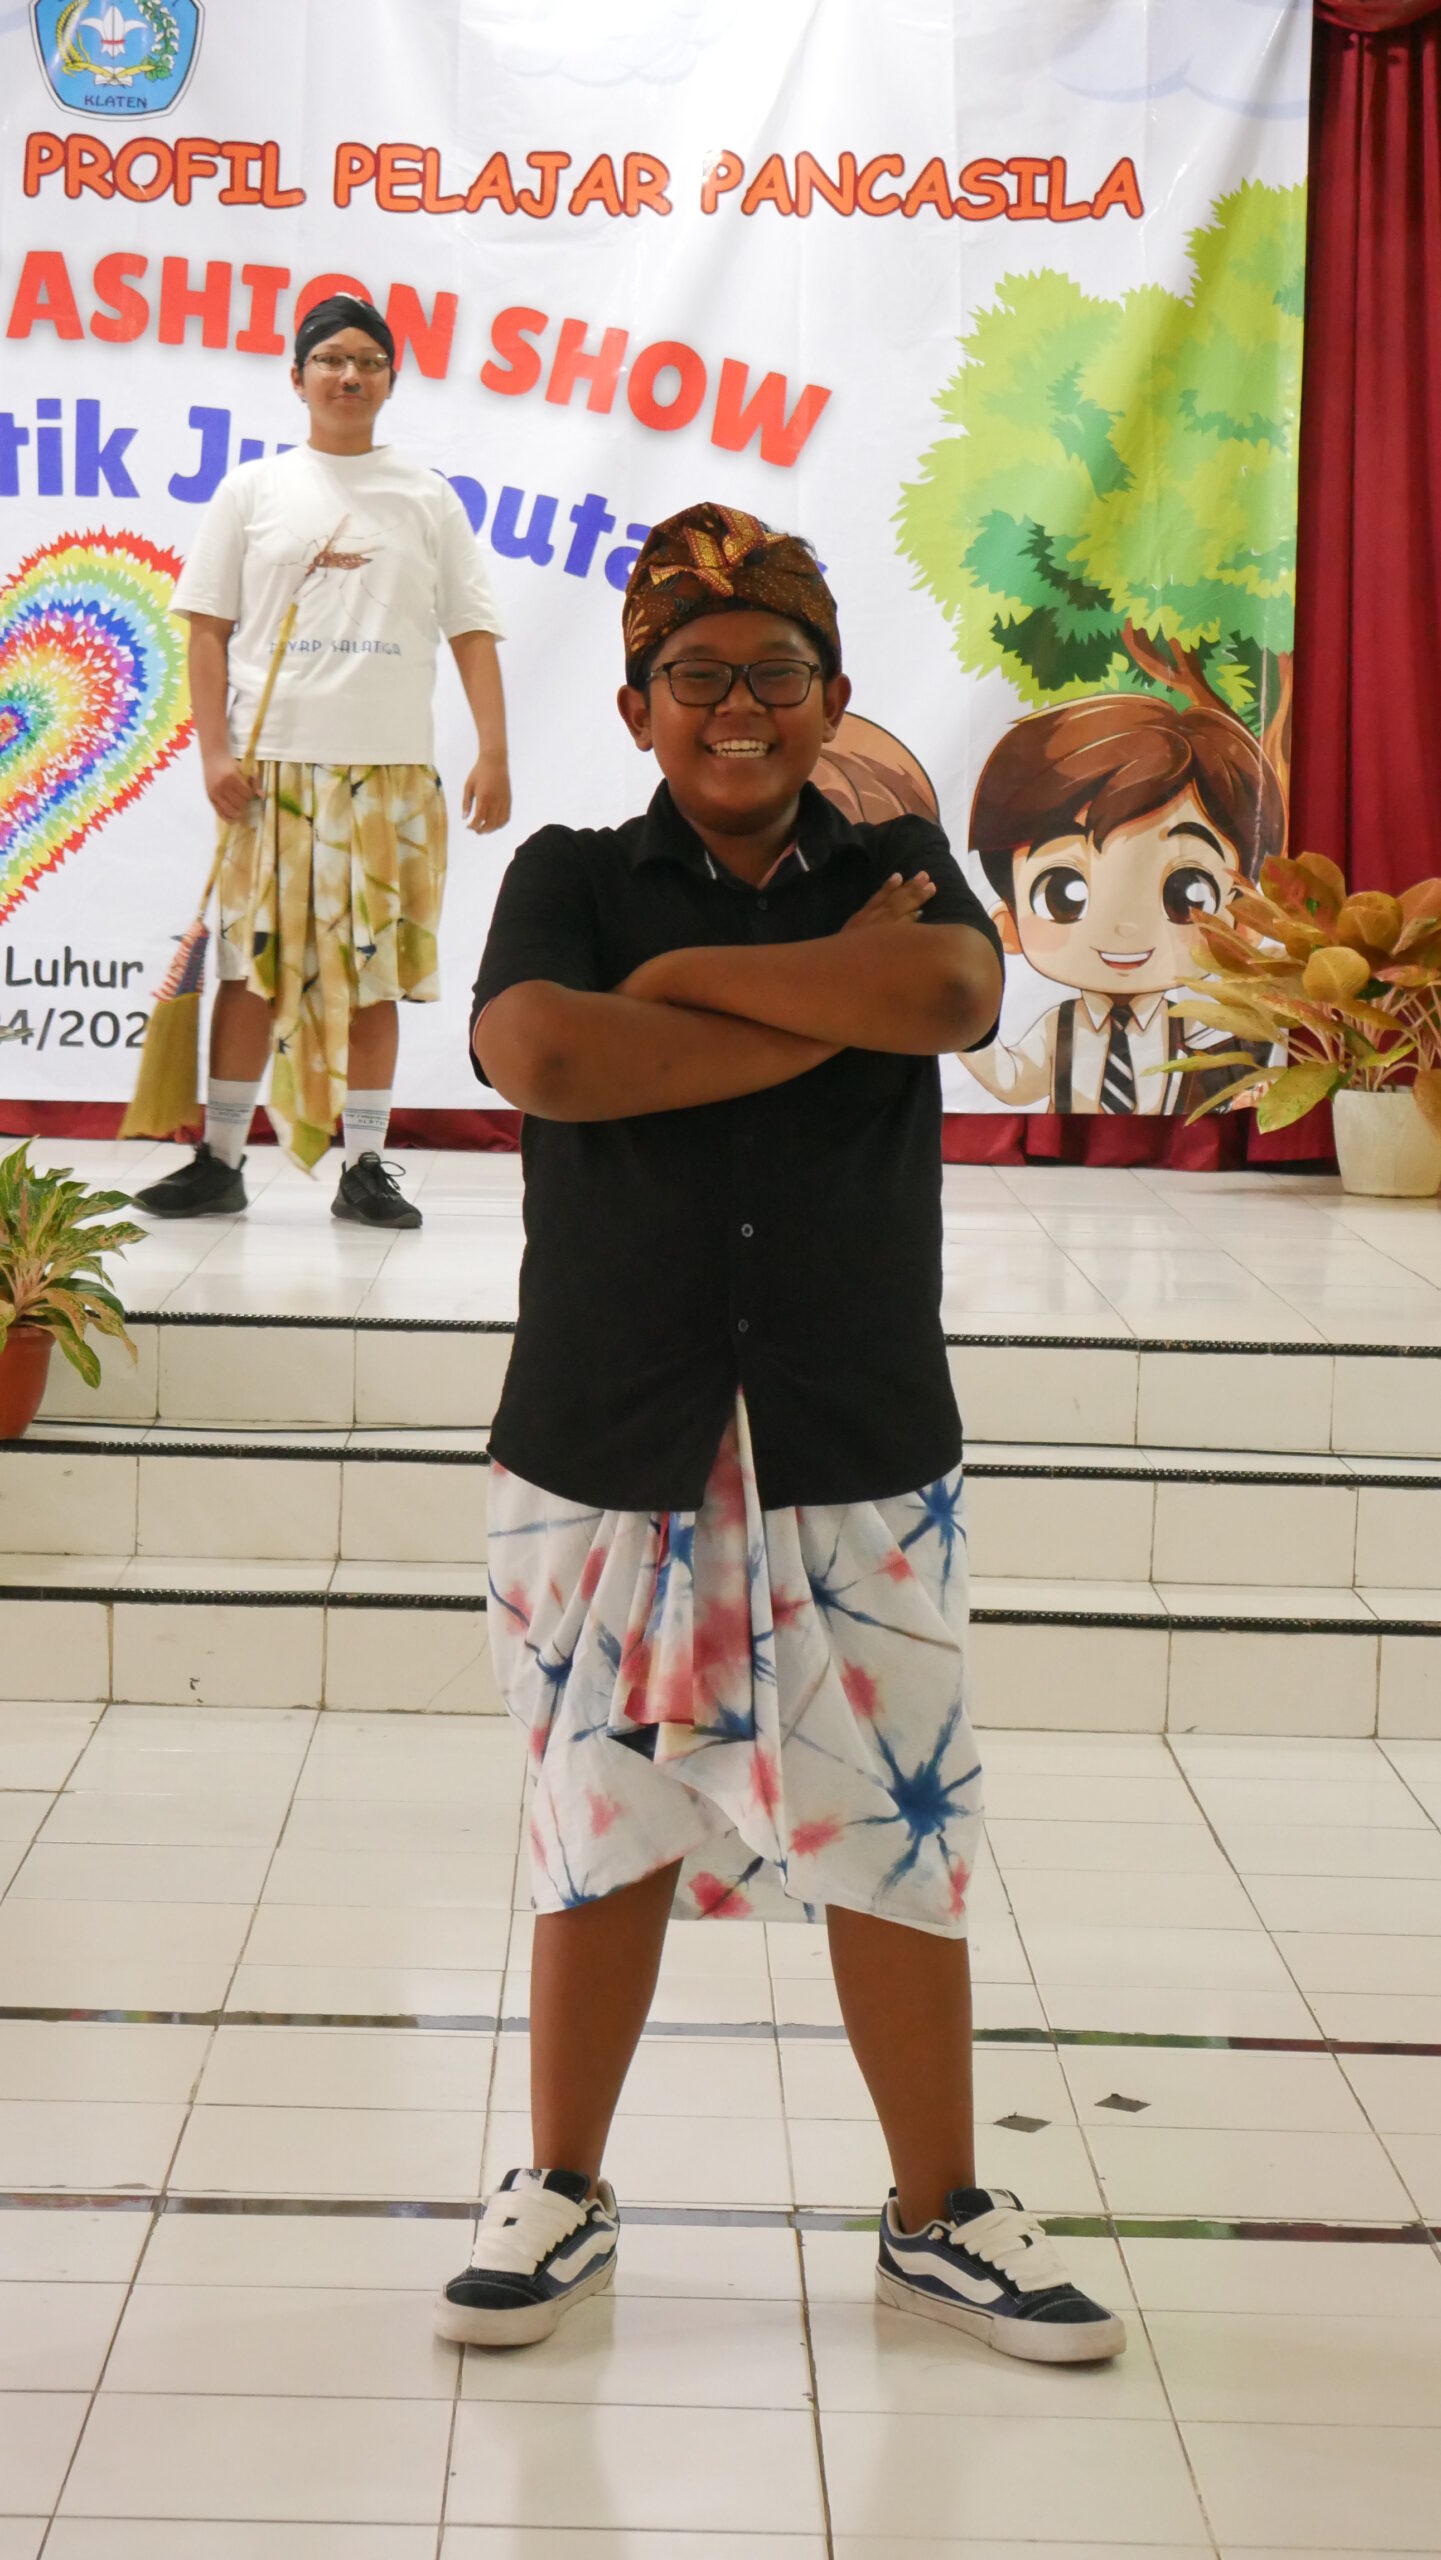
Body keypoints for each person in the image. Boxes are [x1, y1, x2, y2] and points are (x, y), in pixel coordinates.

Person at [436, 501, 1128, 2364]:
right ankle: (559, 2187)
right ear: (635, 706)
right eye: (694, 675)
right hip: (611, 1425)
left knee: (895, 1819)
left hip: (848, 1424)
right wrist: (823, 996)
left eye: (773, 672)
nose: (734, 706)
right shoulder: (570, 875)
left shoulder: (901, 860)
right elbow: (544, 1056)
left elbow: (952, 993)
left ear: (830, 695)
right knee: (600, 1815)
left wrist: (677, 996)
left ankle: (938, 2213)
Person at [134, 293, 508, 1230]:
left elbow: (470, 629)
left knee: (374, 973)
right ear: (296, 376)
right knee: (250, 969)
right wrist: (213, 751)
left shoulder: (426, 497)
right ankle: (220, 1160)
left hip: (390, 775)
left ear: (391, 379)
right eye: (332, 360)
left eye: (369, 361)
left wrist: (493, 751)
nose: (350, 376)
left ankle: (366, 1166)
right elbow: (207, 631)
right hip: (271, 777)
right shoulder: (252, 490)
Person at [959, 694, 1286, 1113]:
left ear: (1242, 923)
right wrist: (961, 1024)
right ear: (1008, 926)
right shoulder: (1059, 1028)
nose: (1126, 927)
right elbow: (1015, 1083)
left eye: (1186, 896)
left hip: (1174, 1147)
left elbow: (1227, 1083)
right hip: (1068, 1145)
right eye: (1064, 896)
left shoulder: (1196, 1029)